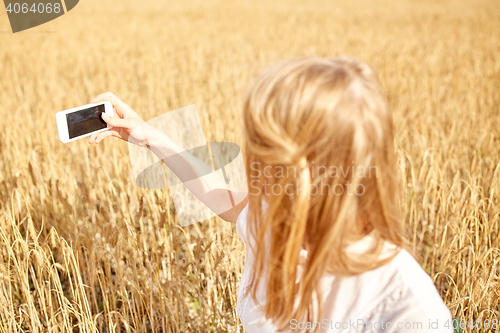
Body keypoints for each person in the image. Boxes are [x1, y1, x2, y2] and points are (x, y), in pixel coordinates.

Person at [89, 56, 453, 332]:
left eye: (267, 155)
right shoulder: (275, 217)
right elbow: (222, 198)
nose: (254, 168)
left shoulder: (407, 307)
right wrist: (148, 136)